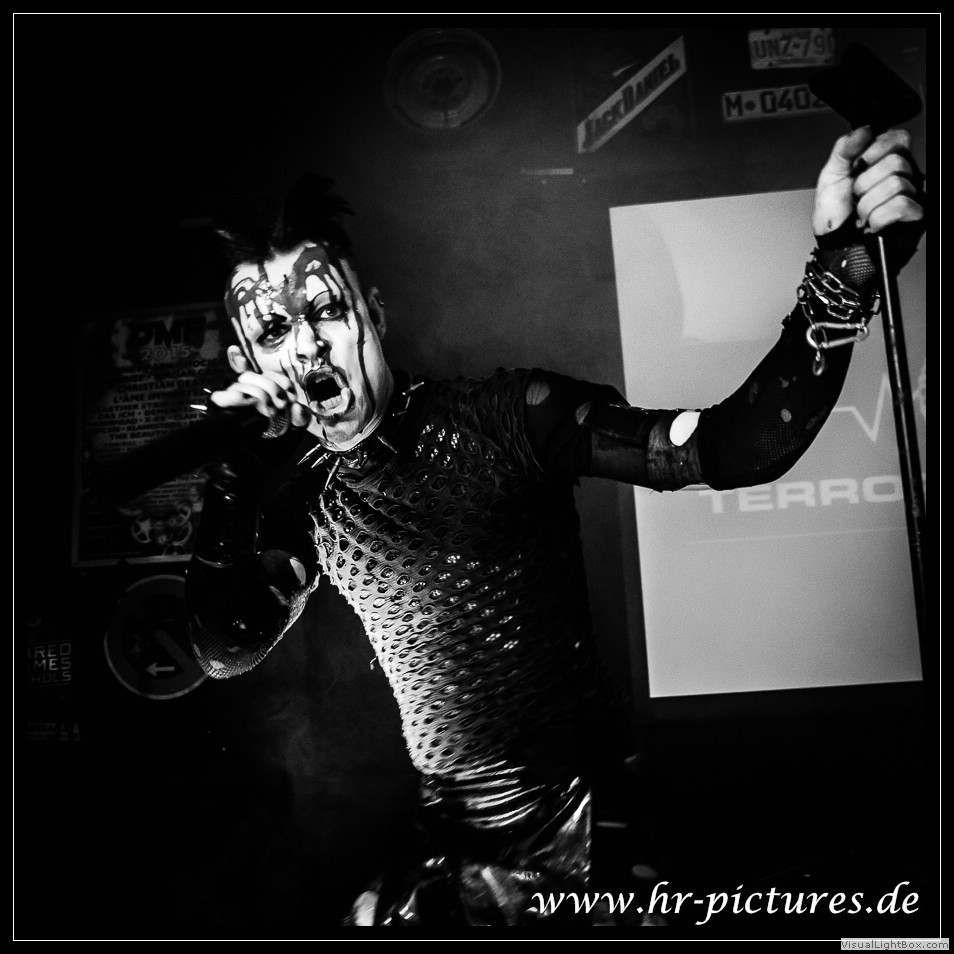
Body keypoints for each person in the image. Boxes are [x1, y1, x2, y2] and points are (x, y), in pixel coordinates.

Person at [185, 126, 925, 926]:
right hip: (454, 835)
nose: (306, 344)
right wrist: (233, 473)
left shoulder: (508, 418)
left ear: (375, 312)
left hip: (586, 814)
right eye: (273, 332)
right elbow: (225, 648)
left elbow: (731, 446)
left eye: (327, 310)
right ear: (252, 366)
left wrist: (844, 275)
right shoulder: (303, 498)